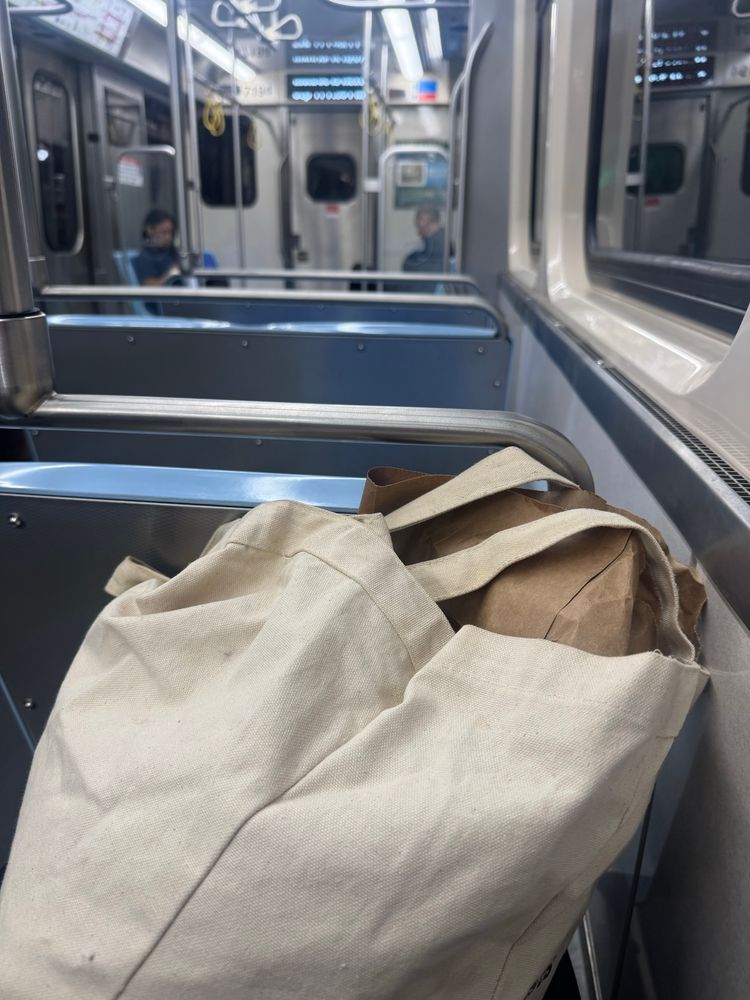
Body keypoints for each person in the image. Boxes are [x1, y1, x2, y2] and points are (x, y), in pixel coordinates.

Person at [133, 209, 181, 286]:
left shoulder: (171, 252)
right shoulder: (146, 257)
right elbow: (150, 288)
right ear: (150, 231)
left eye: (170, 232)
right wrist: (171, 275)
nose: (168, 237)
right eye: (164, 232)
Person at [402, 204, 446, 274]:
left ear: (425, 220)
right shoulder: (439, 239)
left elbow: (423, 268)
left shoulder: (438, 244)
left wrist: (408, 261)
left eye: (418, 226)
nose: (418, 233)